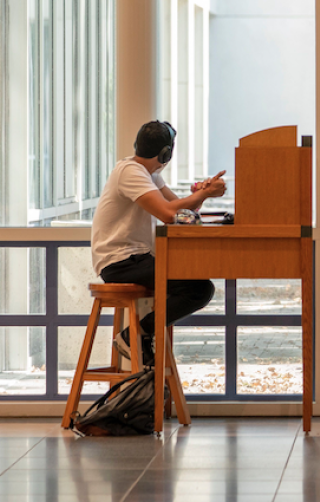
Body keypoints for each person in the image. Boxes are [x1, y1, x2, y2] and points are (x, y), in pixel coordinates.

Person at [90, 121, 227, 365]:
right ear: (166, 152)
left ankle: (140, 335)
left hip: (136, 258)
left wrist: (200, 193)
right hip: (121, 262)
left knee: (198, 286)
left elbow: (184, 211)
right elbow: (168, 213)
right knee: (199, 289)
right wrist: (203, 194)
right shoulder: (130, 172)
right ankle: (135, 336)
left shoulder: (150, 174)